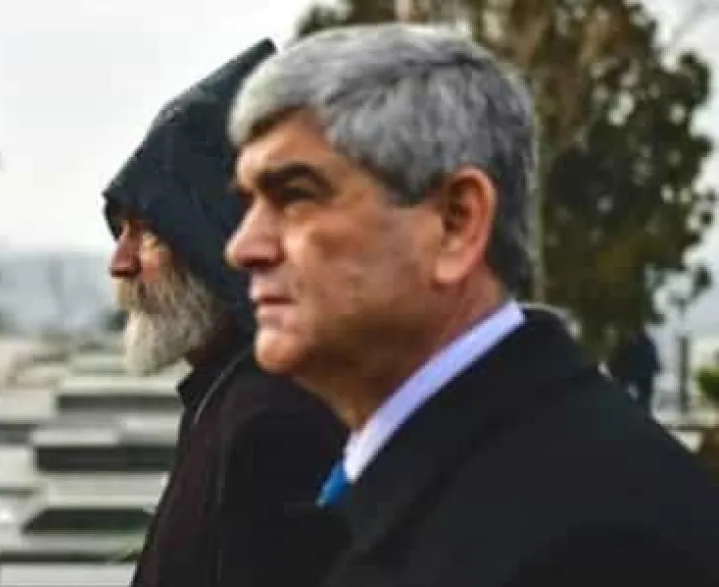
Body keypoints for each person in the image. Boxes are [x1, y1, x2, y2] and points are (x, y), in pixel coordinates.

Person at [225, 24, 719, 587]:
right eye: (248, 203)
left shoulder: (592, 541)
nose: (243, 247)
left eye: (295, 196)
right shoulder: (460, 485)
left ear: (456, 224)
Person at [102, 39, 346, 587]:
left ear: (216, 238)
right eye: (121, 232)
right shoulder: (227, 391)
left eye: (148, 233)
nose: (120, 263)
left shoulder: (275, 424)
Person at [608, 328, 661, 411]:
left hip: (636, 369)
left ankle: (636, 412)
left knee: (641, 397)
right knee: (641, 397)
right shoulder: (644, 342)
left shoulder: (643, 342)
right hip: (634, 369)